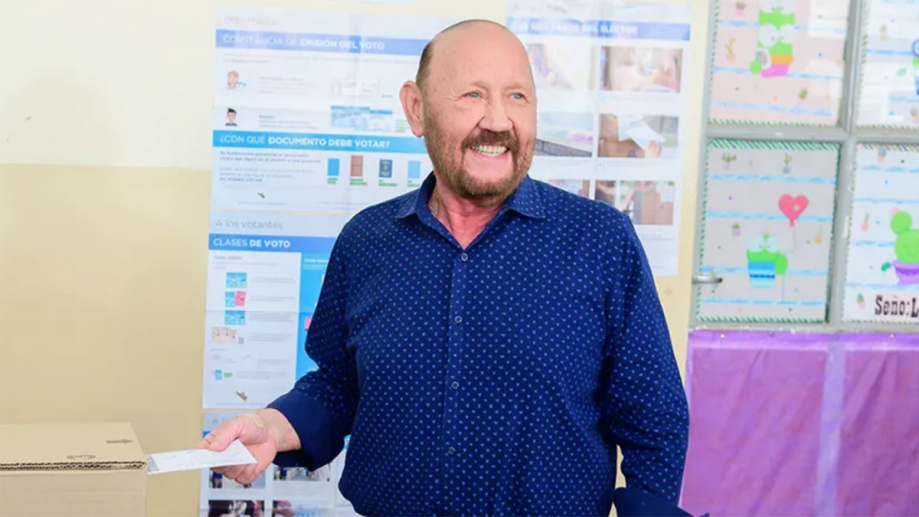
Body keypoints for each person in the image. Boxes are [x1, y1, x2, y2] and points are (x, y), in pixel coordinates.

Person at [200, 19, 689, 517]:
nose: (498, 120)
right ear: (417, 109)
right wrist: (271, 427)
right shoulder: (366, 241)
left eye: (518, 96)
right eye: (473, 95)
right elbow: (339, 385)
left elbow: (655, 419)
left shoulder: (599, 241)